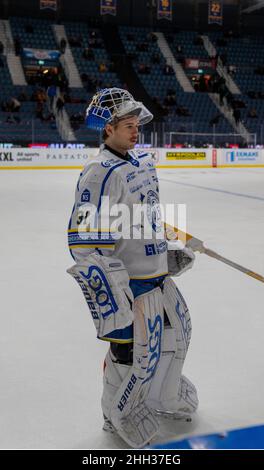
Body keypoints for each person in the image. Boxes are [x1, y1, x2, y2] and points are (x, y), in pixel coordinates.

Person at [67, 87, 198, 448]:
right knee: (132, 353)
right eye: (127, 124)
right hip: (132, 285)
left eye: (136, 123)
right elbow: (84, 240)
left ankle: (163, 397)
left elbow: (145, 221)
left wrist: (165, 255)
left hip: (158, 278)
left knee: (179, 338)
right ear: (108, 128)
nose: (135, 129)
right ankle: (117, 413)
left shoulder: (142, 163)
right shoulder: (99, 172)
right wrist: (111, 288)